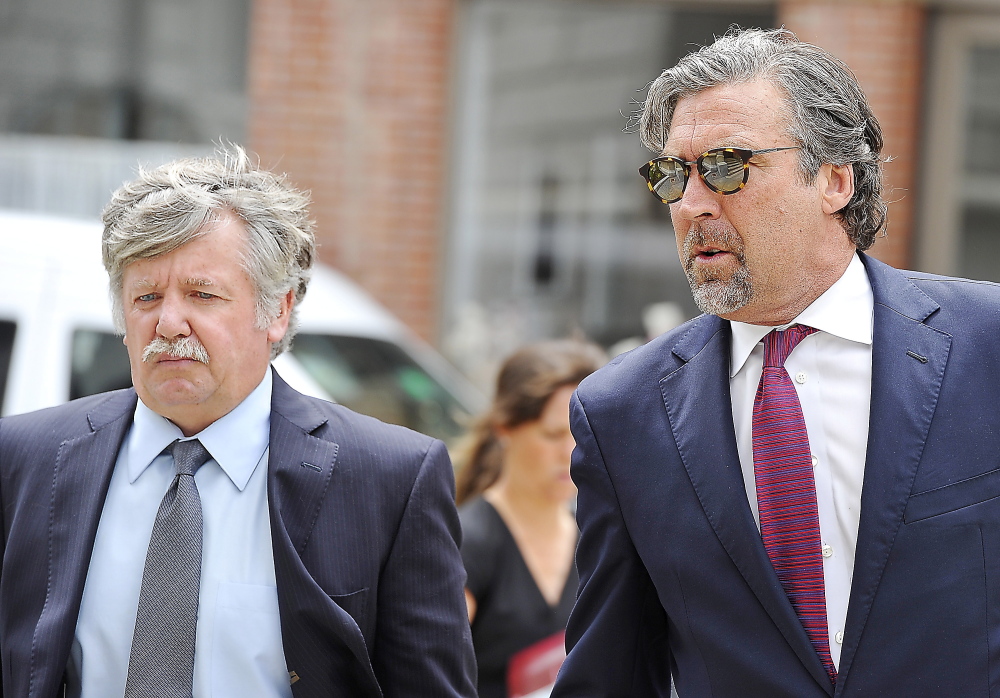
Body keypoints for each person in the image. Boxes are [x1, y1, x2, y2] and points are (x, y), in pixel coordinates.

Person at [551, 27, 1000, 698]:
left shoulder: (984, 344)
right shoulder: (622, 412)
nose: (692, 203)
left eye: (729, 166)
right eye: (672, 174)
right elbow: (609, 674)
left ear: (835, 179)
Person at [0, 147, 477, 697]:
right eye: (146, 296)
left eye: (202, 295)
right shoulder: (27, 458)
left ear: (276, 310)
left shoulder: (387, 479)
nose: (169, 321)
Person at [456, 340, 604, 698]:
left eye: (582, 434)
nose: (571, 452)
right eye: (553, 435)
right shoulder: (468, 540)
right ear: (505, 428)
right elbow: (433, 671)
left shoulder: (595, 537)